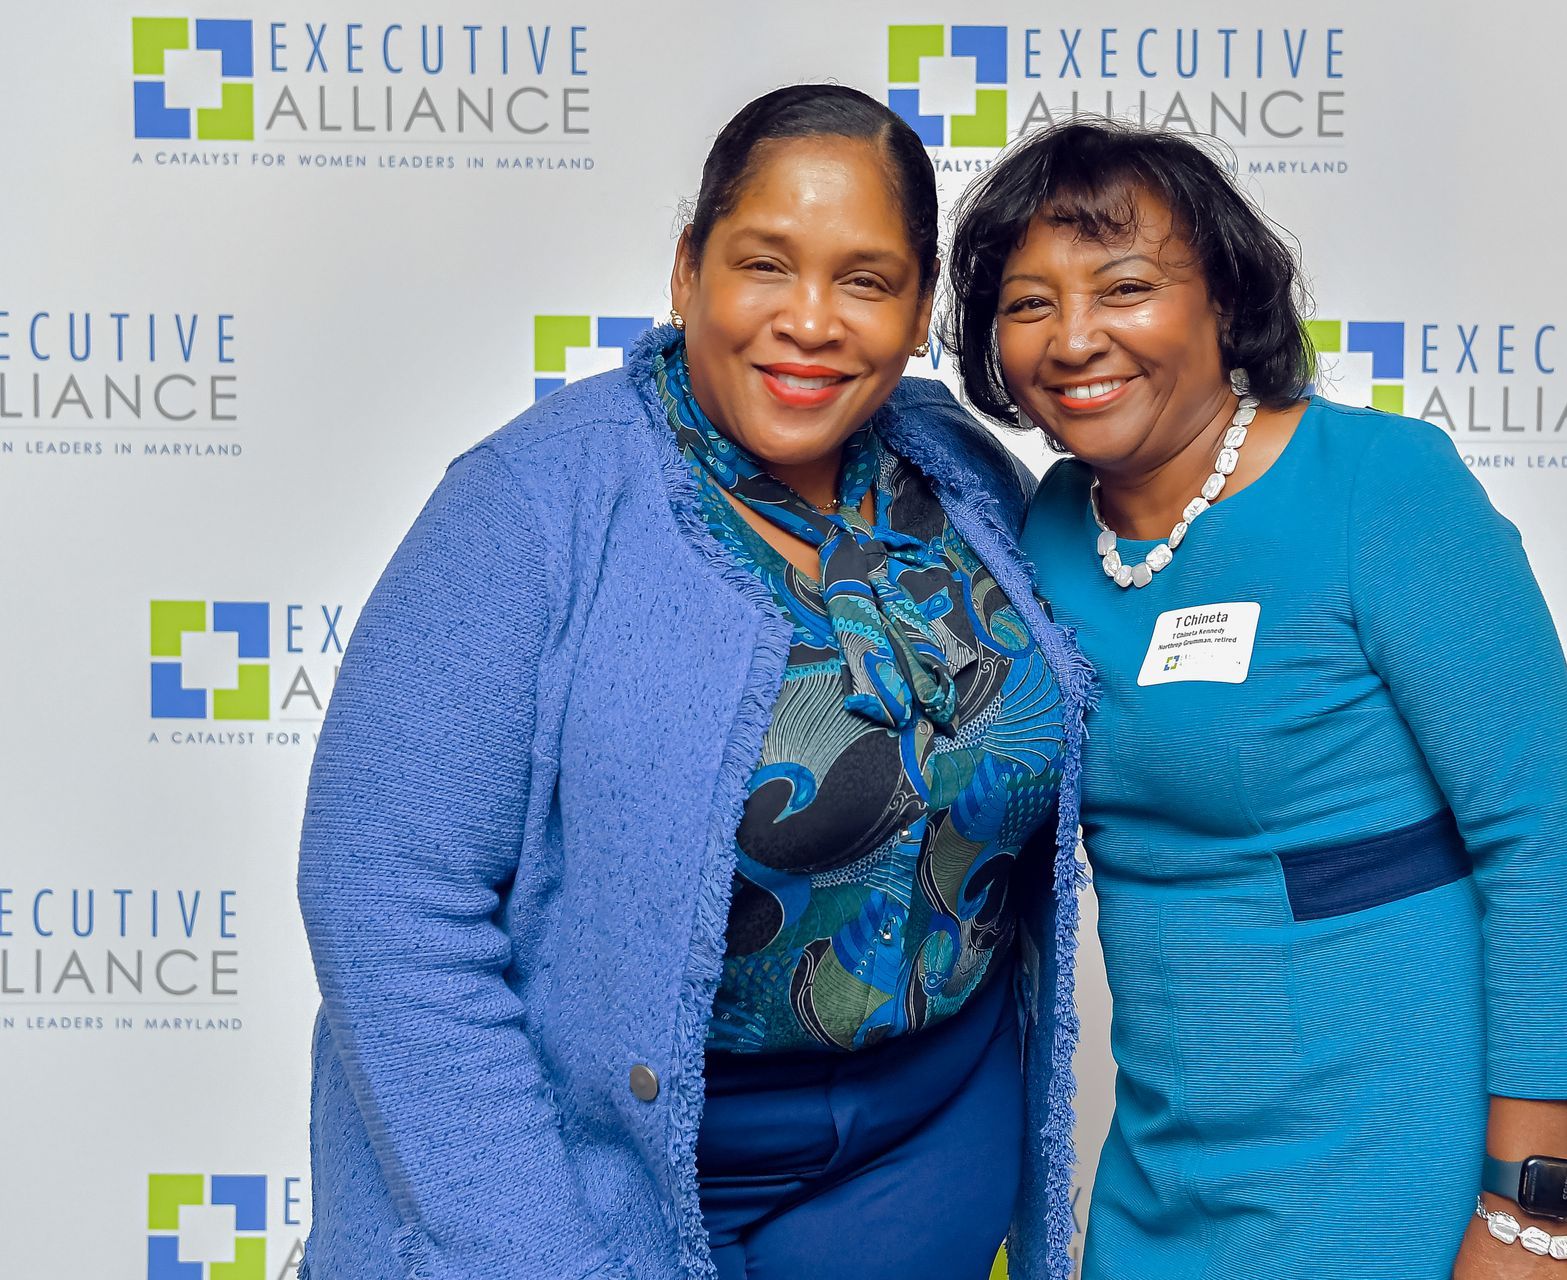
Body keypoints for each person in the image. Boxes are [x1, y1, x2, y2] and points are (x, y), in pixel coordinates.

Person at [296, 85, 1090, 1280]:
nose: (810, 319)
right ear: (686, 271)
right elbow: (385, 897)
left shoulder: (964, 475)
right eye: (765, 264)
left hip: (924, 1150)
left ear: (919, 304)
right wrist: (534, 1250)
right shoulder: (530, 505)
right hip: (612, 1176)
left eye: (865, 280)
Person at [943, 118, 1567, 1279]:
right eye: (1029, 304)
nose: (1075, 337)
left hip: (1388, 1160)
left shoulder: (1381, 489)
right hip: (1166, 1166)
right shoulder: (1044, 531)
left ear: (1224, 295)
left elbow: (1539, 842)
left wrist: (1529, 1210)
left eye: (1126, 287)